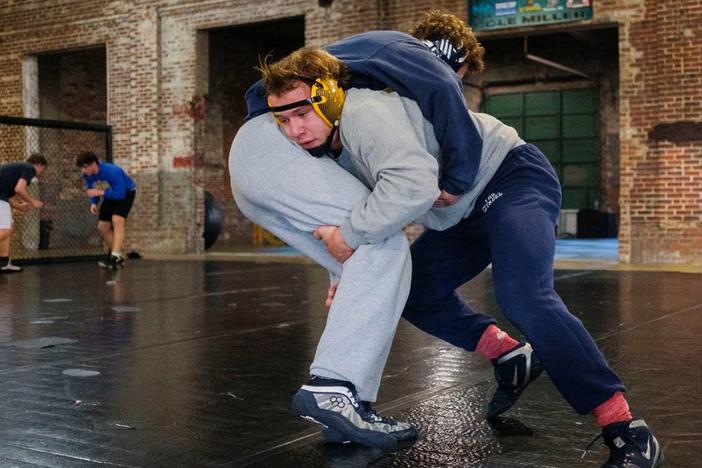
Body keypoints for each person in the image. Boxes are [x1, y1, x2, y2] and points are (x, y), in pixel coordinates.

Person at [259, 12, 663, 466]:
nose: (296, 129)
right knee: (413, 292)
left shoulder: (383, 107)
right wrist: (344, 267)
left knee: (523, 295)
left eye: (302, 113)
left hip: (509, 181)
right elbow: (372, 210)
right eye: (285, 121)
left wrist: (348, 239)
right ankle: (509, 355)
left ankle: (625, 427)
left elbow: (400, 193)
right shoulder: (337, 137)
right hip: (458, 216)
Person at [76, 151, 136, 269]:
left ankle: (115, 256)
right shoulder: (88, 175)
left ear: (93, 164)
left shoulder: (113, 171)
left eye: (85, 167)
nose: (83, 170)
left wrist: (100, 193)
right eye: (81, 168)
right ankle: (118, 256)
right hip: (109, 193)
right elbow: (91, 189)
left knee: (117, 220)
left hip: (126, 193)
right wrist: (93, 203)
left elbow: (120, 194)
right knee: (102, 227)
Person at [0, 153, 47, 273]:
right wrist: (33, 201)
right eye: (43, 169)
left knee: (9, 227)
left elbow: (6, 194)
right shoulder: (29, 168)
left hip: (2, 197)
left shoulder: (19, 169)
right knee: (5, 230)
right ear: (39, 165)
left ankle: (3, 263)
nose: (42, 172)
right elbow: (19, 189)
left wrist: (19, 207)